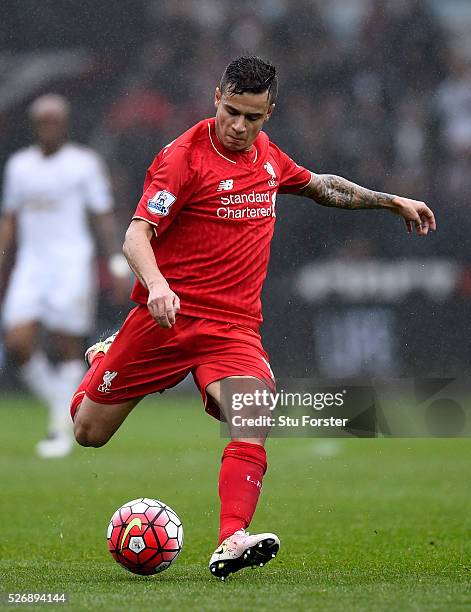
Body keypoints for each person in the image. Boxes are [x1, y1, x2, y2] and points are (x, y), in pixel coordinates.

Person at [69, 57, 436, 579]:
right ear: (216, 96)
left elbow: (320, 185)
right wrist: (157, 287)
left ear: (270, 112)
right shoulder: (183, 158)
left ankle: (232, 538)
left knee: (253, 413)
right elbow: (135, 235)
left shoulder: (265, 156)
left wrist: (389, 200)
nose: (240, 127)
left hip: (232, 329)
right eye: (232, 112)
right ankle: (102, 358)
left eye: (253, 117)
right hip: (166, 320)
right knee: (88, 432)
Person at [0, 93, 130, 459]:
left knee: (65, 344)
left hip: (71, 262)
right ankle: (61, 407)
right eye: (43, 121)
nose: (49, 126)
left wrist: (116, 262)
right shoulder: (19, 166)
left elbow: (102, 216)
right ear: (34, 125)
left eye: (55, 120)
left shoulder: (83, 164)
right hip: (31, 264)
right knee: (17, 342)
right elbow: (9, 218)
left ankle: (60, 426)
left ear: (65, 123)